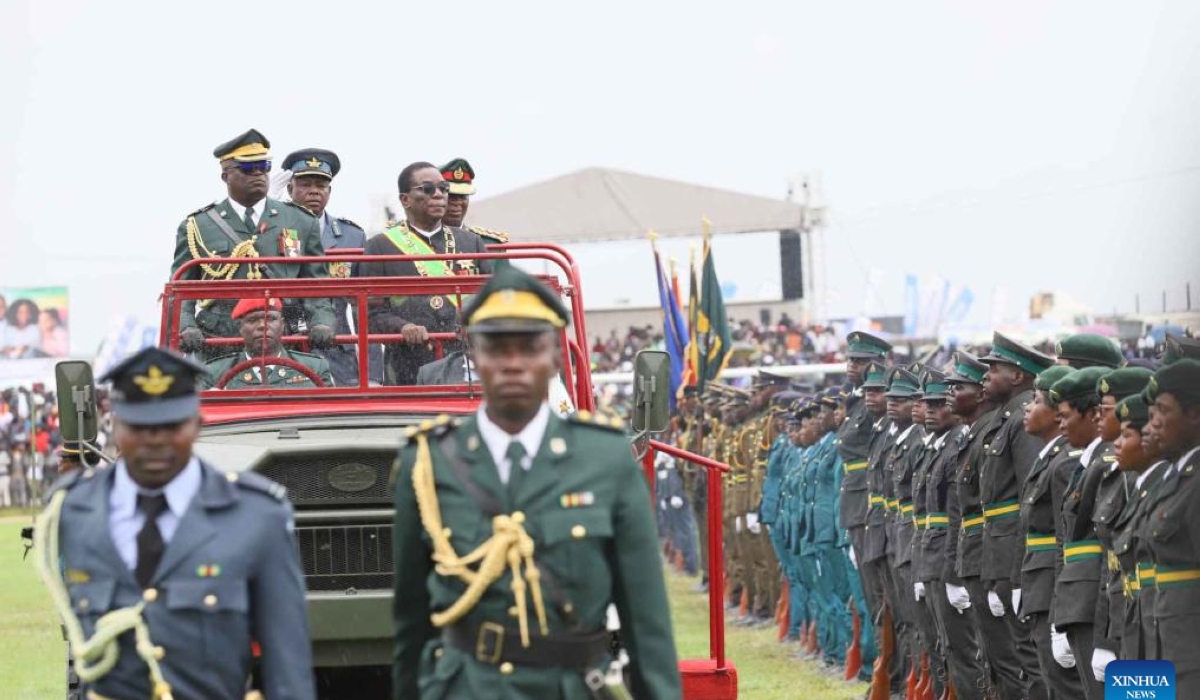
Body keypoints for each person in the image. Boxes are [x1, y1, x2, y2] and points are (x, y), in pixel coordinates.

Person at [390, 265, 680, 700]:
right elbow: (411, 623)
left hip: (571, 686)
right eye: (496, 348)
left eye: (529, 348)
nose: (513, 363)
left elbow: (646, 620)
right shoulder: (430, 463)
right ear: (474, 356)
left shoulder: (604, 459)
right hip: (467, 687)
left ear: (555, 357)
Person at [39, 346, 314, 700]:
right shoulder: (76, 510)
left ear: (197, 425)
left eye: (172, 425)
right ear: (114, 426)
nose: (155, 440)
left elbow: (287, 669)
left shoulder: (256, 516)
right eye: (139, 426)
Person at [171, 129, 335, 358]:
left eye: (264, 166)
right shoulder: (198, 226)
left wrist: (322, 322)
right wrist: (186, 326)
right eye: (248, 168)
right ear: (225, 175)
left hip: (283, 336)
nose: (258, 173)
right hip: (221, 339)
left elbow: (317, 285)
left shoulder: (300, 220)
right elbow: (180, 290)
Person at [360, 161, 507, 385]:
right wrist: (402, 327)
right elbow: (370, 315)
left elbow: (492, 302)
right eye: (428, 189)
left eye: (443, 189)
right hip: (407, 364)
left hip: (466, 362)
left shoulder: (471, 242)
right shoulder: (380, 246)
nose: (439, 195)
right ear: (405, 199)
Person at [280, 147, 378, 387]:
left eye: (321, 185)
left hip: (340, 348)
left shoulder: (351, 236)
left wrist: (373, 373)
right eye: (305, 184)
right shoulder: (274, 231)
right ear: (290, 188)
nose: (314, 191)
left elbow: (365, 307)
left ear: (330, 191)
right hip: (289, 346)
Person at [1137, 359, 1200, 695]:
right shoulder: (1173, 477)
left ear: (1195, 414)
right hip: (1160, 642)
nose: (1155, 423)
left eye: (1163, 410)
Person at [201, 297, 334, 389]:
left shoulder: (315, 368)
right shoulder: (214, 373)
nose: (262, 326)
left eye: (270, 319)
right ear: (240, 328)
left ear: (282, 325)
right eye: (253, 320)